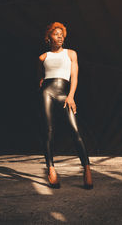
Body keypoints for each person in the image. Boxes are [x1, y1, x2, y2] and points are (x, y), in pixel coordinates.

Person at [38, 22, 93, 189]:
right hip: (47, 92)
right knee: (48, 130)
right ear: (49, 38)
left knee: (74, 129)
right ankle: (51, 170)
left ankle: (87, 170)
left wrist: (71, 96)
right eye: (56, 34)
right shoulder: (43, 57)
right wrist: (41, 82)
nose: (60, 36)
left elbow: (74, 77)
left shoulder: (71, 54)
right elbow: (41, 78)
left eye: (62, 34)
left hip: (64, 93)